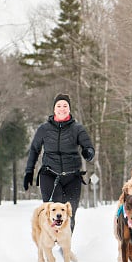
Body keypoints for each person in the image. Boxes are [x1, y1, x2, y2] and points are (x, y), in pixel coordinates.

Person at [24, 93, 95, 232]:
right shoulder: (44, 129)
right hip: (49, 175)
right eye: (59, 106)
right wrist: (29, 172)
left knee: (69, 213)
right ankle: (51, 240)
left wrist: (88, 153)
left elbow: (89, 147)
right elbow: (34, 150)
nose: (62, 108)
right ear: (54, 109)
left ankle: (65, 246)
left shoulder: (77, 129)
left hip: (72, 177)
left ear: (69, 109)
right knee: (53, 212)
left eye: (65, 106)